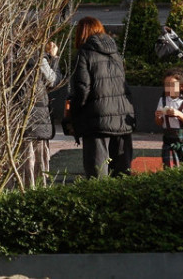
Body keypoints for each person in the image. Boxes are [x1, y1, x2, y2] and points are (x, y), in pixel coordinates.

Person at [68, 17, 136, 178]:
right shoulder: (115, 53)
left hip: (97, 119)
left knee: (97, 171)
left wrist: (74, 114)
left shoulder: (84, 54)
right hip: (122, 115)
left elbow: (82, 89)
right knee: (121, 171)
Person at [21, 41, 62, 188]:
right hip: (38, 119)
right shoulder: (37, 58)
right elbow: (54, 81)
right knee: (39, 167)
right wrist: (54, 58)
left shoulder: (8, 58)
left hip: (17, 119)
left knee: (22, 166)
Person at [154, 68, 183, 168]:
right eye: (166, 85)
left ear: (182, 86)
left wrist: (179, 114)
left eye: (172, 85)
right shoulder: (163, 100)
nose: (168, 87)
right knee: (170, 170)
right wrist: (157, 117)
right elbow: (159, 123)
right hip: (169, 142)